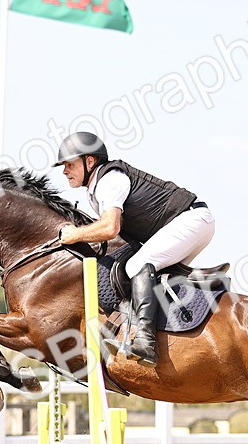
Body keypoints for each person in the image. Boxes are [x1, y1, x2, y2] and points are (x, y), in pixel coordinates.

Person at [54, 132, 215, 367]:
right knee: (147, 272)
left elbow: (110, 227)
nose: (64, 171)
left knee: (137, 266)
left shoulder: (109, 180)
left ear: (90, 161)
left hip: (192, 220)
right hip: (190, 222)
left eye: (69, 164)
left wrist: (74, 235)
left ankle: (146, 342)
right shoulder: (96, 187)